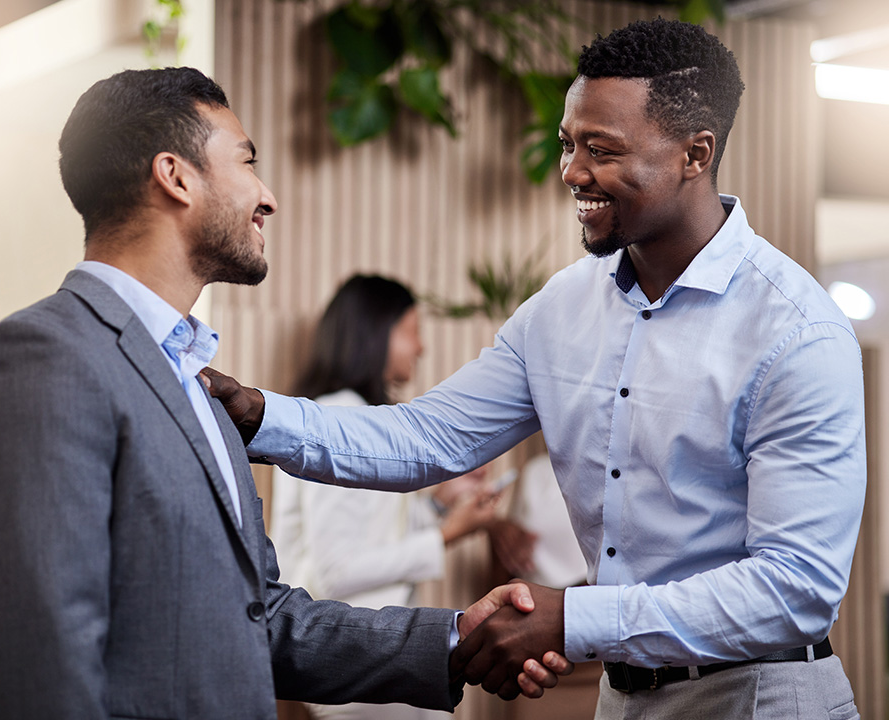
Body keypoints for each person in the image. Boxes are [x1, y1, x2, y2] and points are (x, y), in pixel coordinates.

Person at [205, 18, 865, 718]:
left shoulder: (796, 332)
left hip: (762, 698)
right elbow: (427, 439)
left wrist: (574, 620)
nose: (573, 172)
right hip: (623, 698)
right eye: (567, 144)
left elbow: (796, 589)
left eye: (600, 149)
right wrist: (258, 415)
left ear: (694, 154)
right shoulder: (561, 309)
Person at [0, 67, 562, 720]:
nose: (266, 197)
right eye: (247, 162)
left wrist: (452, 638)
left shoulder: (201, 383)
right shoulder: (41, 357)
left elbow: (258, 617)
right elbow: (39, 662)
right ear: (175, 176)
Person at [270, 274, 532, 720]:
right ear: (377, 333)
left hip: (366, 653)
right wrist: (448, 534)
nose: (421, 347)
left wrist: (438, 506)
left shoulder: (342, 414)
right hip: (357, 656)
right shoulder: (343, 417)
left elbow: (367, 538)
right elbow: (336, 572)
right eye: (413, 330)